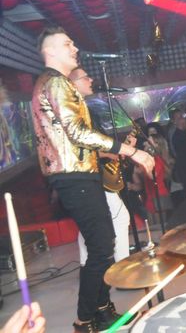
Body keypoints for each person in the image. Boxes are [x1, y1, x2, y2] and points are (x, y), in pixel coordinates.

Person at [31, 26, 154, 332]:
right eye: (67, 44)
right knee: (100, 247)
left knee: (103, 244)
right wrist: (131, 151)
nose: (75, 48)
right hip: (74, 177)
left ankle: (102, 310)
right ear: (50, 51)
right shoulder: (56, 82)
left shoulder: (51, 83)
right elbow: (78, 133)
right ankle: (84, 320)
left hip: (78, 174)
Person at [68, 68, 131, 265]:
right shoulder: (73, 111)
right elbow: (79, 147)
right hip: (86, 176)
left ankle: (86, 264)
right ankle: (122, 268)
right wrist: (111, 153)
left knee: (89, 224)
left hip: (89, 175)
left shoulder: (83, 109)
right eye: (85, 77)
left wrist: (116, 150)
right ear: (73, 84)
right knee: (119, 218)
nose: (91, 80)